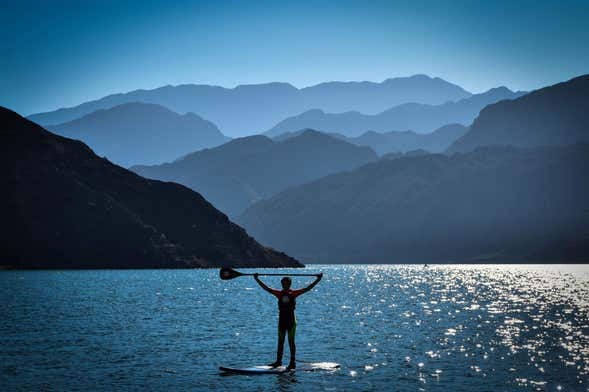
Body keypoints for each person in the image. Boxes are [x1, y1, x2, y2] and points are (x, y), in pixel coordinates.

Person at [254, 272, 323, 370]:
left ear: (289, 284)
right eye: (283, 284)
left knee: (291, 342)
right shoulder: (279, 293)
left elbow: (308, 288)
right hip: (282, 321)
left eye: (286, 284)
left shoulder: (294, 293)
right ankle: (278, 362)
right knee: (280, 342)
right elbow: (266, 288)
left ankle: (292, 362)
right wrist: (257, 279)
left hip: (291, 321)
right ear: (281, 284)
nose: (285, 285)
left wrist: (318, 279)